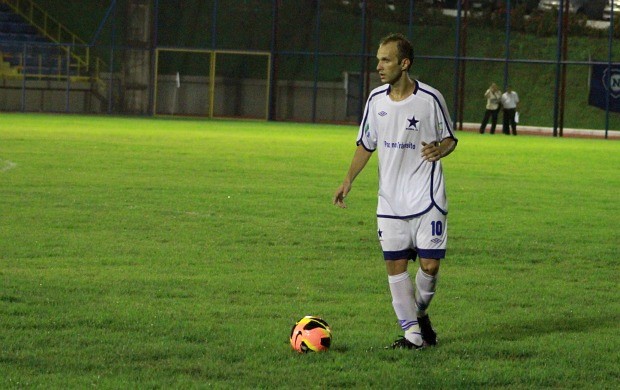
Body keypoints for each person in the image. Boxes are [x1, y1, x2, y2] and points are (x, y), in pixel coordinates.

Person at [332, 33, 458, 350]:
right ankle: (413, 337)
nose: (379, 66)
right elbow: (366, 144)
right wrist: (348, 180)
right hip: (390, 201)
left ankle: (419, 315)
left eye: (386, 60)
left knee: (430, 266)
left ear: (404, 63)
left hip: (427, 198)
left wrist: (440, 150)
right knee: (396, 267)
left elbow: (450, 138)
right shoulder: (375, 101)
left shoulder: (430, 98)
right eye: (378, 59)